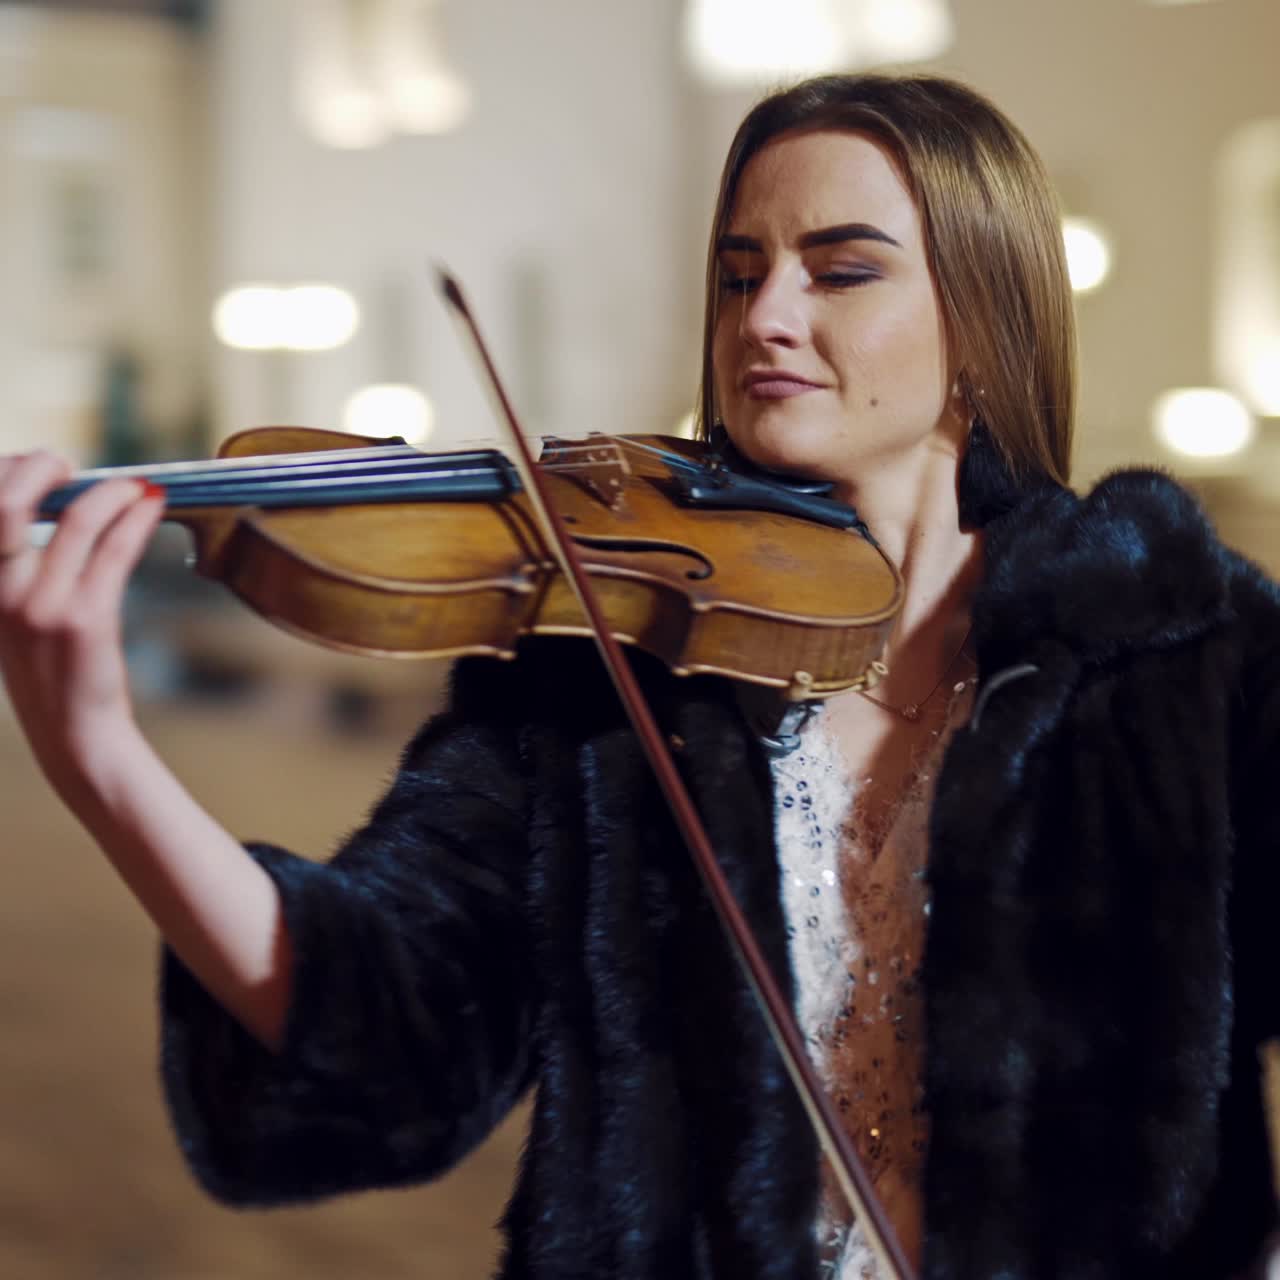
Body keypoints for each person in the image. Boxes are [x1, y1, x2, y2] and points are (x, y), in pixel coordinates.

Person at [0, 71, 1276, 1280]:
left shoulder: (1176, 643)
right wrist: (100, 757)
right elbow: (384, 1029)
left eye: (840, 270)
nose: (763, 317)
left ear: (985, 317)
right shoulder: (601, 670)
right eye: (738, 274)